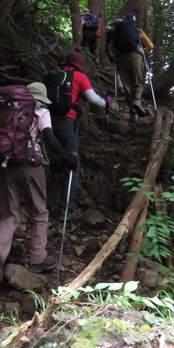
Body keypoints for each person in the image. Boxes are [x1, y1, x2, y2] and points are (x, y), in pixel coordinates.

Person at [0, 83, 77, 282]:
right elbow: (50, 138)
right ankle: (37, 258)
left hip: (7, 164)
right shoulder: (40, 111)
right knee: (40, 211)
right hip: (32, 166)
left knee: (10, 213)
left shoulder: (8, 109)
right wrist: (66, 157)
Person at [50, 52, 111, 221]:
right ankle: (66, 210)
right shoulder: (79, 76)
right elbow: (94, 100)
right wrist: (106, 101)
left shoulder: (55, 76)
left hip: (47, 124)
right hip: (68, 124)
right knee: (72, 165)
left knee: (57, 159)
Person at [106, 13, 154, 121]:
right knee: (138, 82)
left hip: (121, 59)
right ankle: (137, 101)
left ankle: (133, 114)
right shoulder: (137, 29)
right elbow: (150, 46)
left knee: (127, 86)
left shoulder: (117, 31)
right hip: (135, 57)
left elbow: (110, 47)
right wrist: (144, 52)